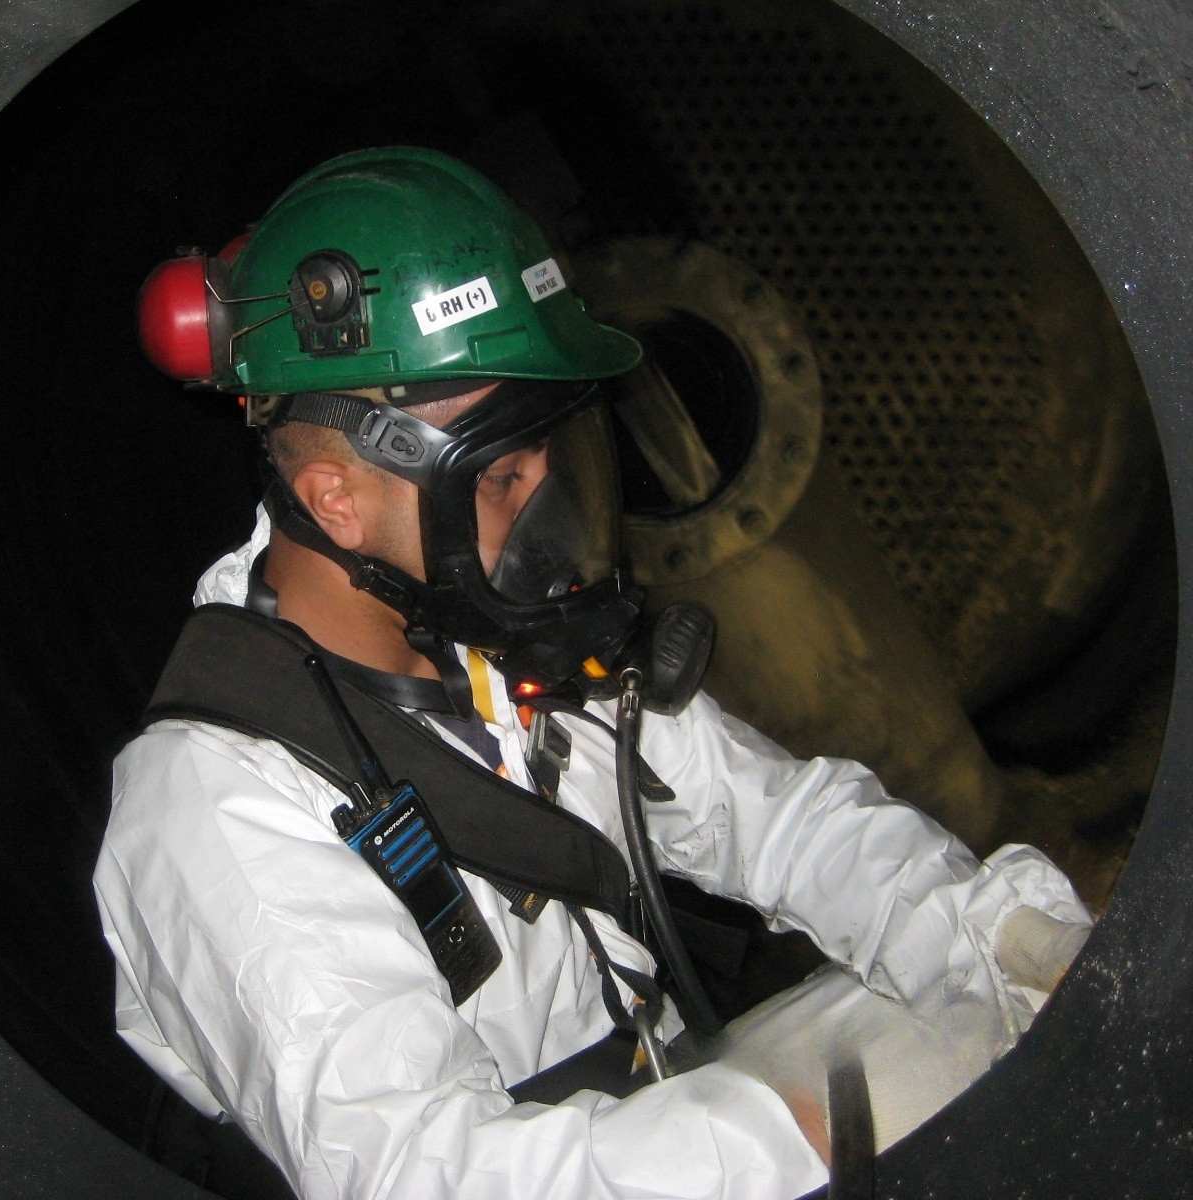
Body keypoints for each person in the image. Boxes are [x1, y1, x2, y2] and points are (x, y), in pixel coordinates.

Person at [94, 146, 1093, 1199]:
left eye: (557, 458)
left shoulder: (495, 635)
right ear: (339, 501)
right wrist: (783, 1140)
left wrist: (995, 940)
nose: (547, 514)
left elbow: (779, 821)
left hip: (656, 1109)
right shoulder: (214, 809)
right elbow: (420, 1175)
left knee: (973, 1019)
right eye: (502, 477)